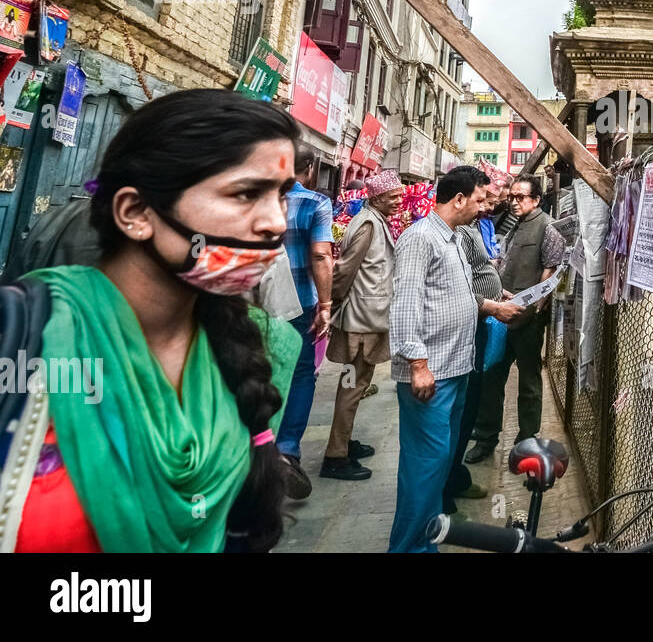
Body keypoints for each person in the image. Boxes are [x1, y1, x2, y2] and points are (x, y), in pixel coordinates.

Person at [2, 89, 299, 552]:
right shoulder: (23, 337)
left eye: (282, 195)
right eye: (246, 193)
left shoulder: (251, 346)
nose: (276, 222)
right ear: (136, 213)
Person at [387, 166, 489, 553]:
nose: (483, 208)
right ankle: (410, 548)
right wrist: (417, 363)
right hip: (431, 372)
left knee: (437, 463)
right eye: (479, 200)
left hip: (454, 367)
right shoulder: (420, 238)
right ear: (459, 198)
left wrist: (490, 306)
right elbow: (405, 304)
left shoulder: (454, 239)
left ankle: (424, 541)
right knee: (424, 466)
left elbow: (453, 296)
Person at [467, 175, 564, 465]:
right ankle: (486, 436)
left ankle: (526, 438)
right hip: (501, 314)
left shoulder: (547, 227)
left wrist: (534, 309)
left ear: (536, 200)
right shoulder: (512, 225)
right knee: (492, 375)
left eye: (521, 197)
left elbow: (550, 269)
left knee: (529, 379)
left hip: (527, 318)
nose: (515, 202)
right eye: (512, 197)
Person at [445, 171, 523, 513]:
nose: (489, 203)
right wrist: (492, 304)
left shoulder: (474, 227)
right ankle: (443, 488)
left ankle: (453, 474)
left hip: (476, 324)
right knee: (457, 415)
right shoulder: (450, 235)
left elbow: (478, 272)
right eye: (483, 198)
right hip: (462, 330)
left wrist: (498, 292)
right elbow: (458, 288)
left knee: (468, 404)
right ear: (460, 198)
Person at [320, 169, 402, 482]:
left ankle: (344, 442)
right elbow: (344, 270)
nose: (398, 202)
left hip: (366, 318)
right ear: (377, 197)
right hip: (360, 321)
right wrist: (334, 304)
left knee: (356, 384)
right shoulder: (368, 223)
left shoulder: (375, 219)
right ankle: (335, 455)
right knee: (352, 387)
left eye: (398, 196)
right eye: (392, 197)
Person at [275, 145, 335, 499]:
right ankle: (285, 451)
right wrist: (325, 305)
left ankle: (257, 445)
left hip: (258, 304)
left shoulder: (261, 198)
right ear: (309, 167)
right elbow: (321, 254)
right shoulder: (315, 203)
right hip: (299, 304)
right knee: (300, 375)